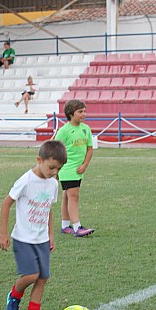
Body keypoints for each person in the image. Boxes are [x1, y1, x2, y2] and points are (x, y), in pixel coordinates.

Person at [0, 140, 67, 310]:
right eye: (51, 167)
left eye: (58, 169)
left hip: (42, 239)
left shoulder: (53, 183)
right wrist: (3, 232)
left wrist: (51, 234)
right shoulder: (26, 180)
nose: (54, 172)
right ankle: (14, 295)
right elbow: (6, 204)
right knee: (31, 275)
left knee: (43, 276)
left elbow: (48, 210)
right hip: (23, 238)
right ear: (39, 160)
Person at [55, 99, 95, 237]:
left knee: (67, 196)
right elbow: (54, 150)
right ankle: (77, 227)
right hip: (67, 169)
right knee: (74, 196)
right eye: (80, 111)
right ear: (71, 113)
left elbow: (90, 149)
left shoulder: (86, 129)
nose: (83, 114)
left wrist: (84, 165)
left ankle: (65, 226)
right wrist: (56, 170)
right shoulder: (64, 131)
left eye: (84, 111)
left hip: (79, 170)